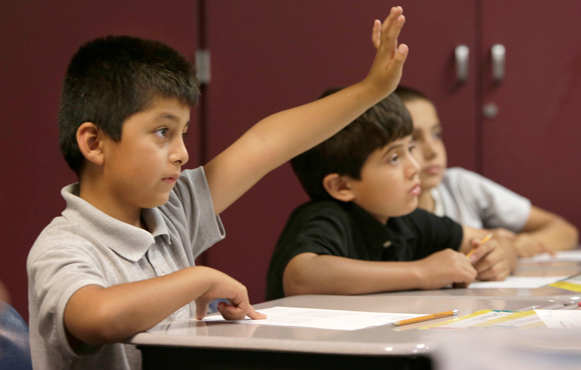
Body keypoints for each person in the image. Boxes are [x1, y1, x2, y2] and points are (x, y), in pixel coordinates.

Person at [27, 7, 409, 369]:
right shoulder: (63, 247)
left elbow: (265, 143)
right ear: (94, 144)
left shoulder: (170, 211)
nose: (182, 153)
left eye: (183, 133)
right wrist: (199, 278)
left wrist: (372, 89)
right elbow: (99, 317)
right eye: (163, 132)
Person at [266, 91, 517, 301]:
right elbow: (302, 276)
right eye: (394, 158)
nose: (414, 167)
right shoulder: (325, 217)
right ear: (342, 186)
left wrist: (496, 257)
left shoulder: (405, 220)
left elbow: (491, 240)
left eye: (410, 149)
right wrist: (421, 272)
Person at [394, 86, 579, 257]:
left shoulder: (459, 185)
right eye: (413, 140)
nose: (432, 151)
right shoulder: (385, 215)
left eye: (436, 134)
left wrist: (510, 248)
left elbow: (565, 231)